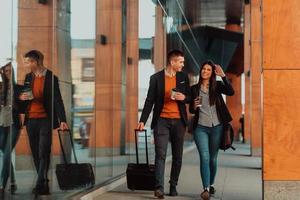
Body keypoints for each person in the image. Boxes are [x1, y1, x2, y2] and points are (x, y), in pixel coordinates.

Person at [137, 49, 190, 199]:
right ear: (172, 62)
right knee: (160, 155)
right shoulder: (156, 78)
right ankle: (159, 188)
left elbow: (190, 97)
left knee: (177, 156)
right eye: (180, 62)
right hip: (161, 121)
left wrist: (183, 97)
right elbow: (149, 101)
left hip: (179, 122)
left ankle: (173, 185)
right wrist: (142, 121)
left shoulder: (183, 77)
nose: (182, 65)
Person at [19, 50, 69, 196]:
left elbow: (57, 100)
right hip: (31, 120)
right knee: (35, 152)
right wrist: (21, 98)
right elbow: (25, 98)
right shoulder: (28, 77)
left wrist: (63, 120)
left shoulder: (51, 77)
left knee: (43, 150)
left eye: (29, 62)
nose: (27, 64)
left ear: (37, 61)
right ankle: (44, 181)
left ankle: (39, 182)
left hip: (45, 119)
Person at [189, 60, 234, 200]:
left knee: (213, 159)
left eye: (208, 70)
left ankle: (211, 183)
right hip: (200, 128)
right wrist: (193, 107)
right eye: (204, 69)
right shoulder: (194, 88)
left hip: (217, 127)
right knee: (205, 156)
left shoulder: (217, 86)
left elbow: (231, 92)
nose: (205, 71)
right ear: (200, 71)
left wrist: (223, 76)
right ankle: (206, 188)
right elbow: (191, 109)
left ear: (212, 73)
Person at [0, 62, 23, 197]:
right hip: (1, 125)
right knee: (5, 153)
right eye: (5, 71)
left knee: (7, 153)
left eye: (9, 71)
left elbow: (25, 105)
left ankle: (2, 184)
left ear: (13, 72)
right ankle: (13, 181)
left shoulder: (19, 88)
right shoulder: (0, 87)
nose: (8, 73)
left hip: (14, 125)